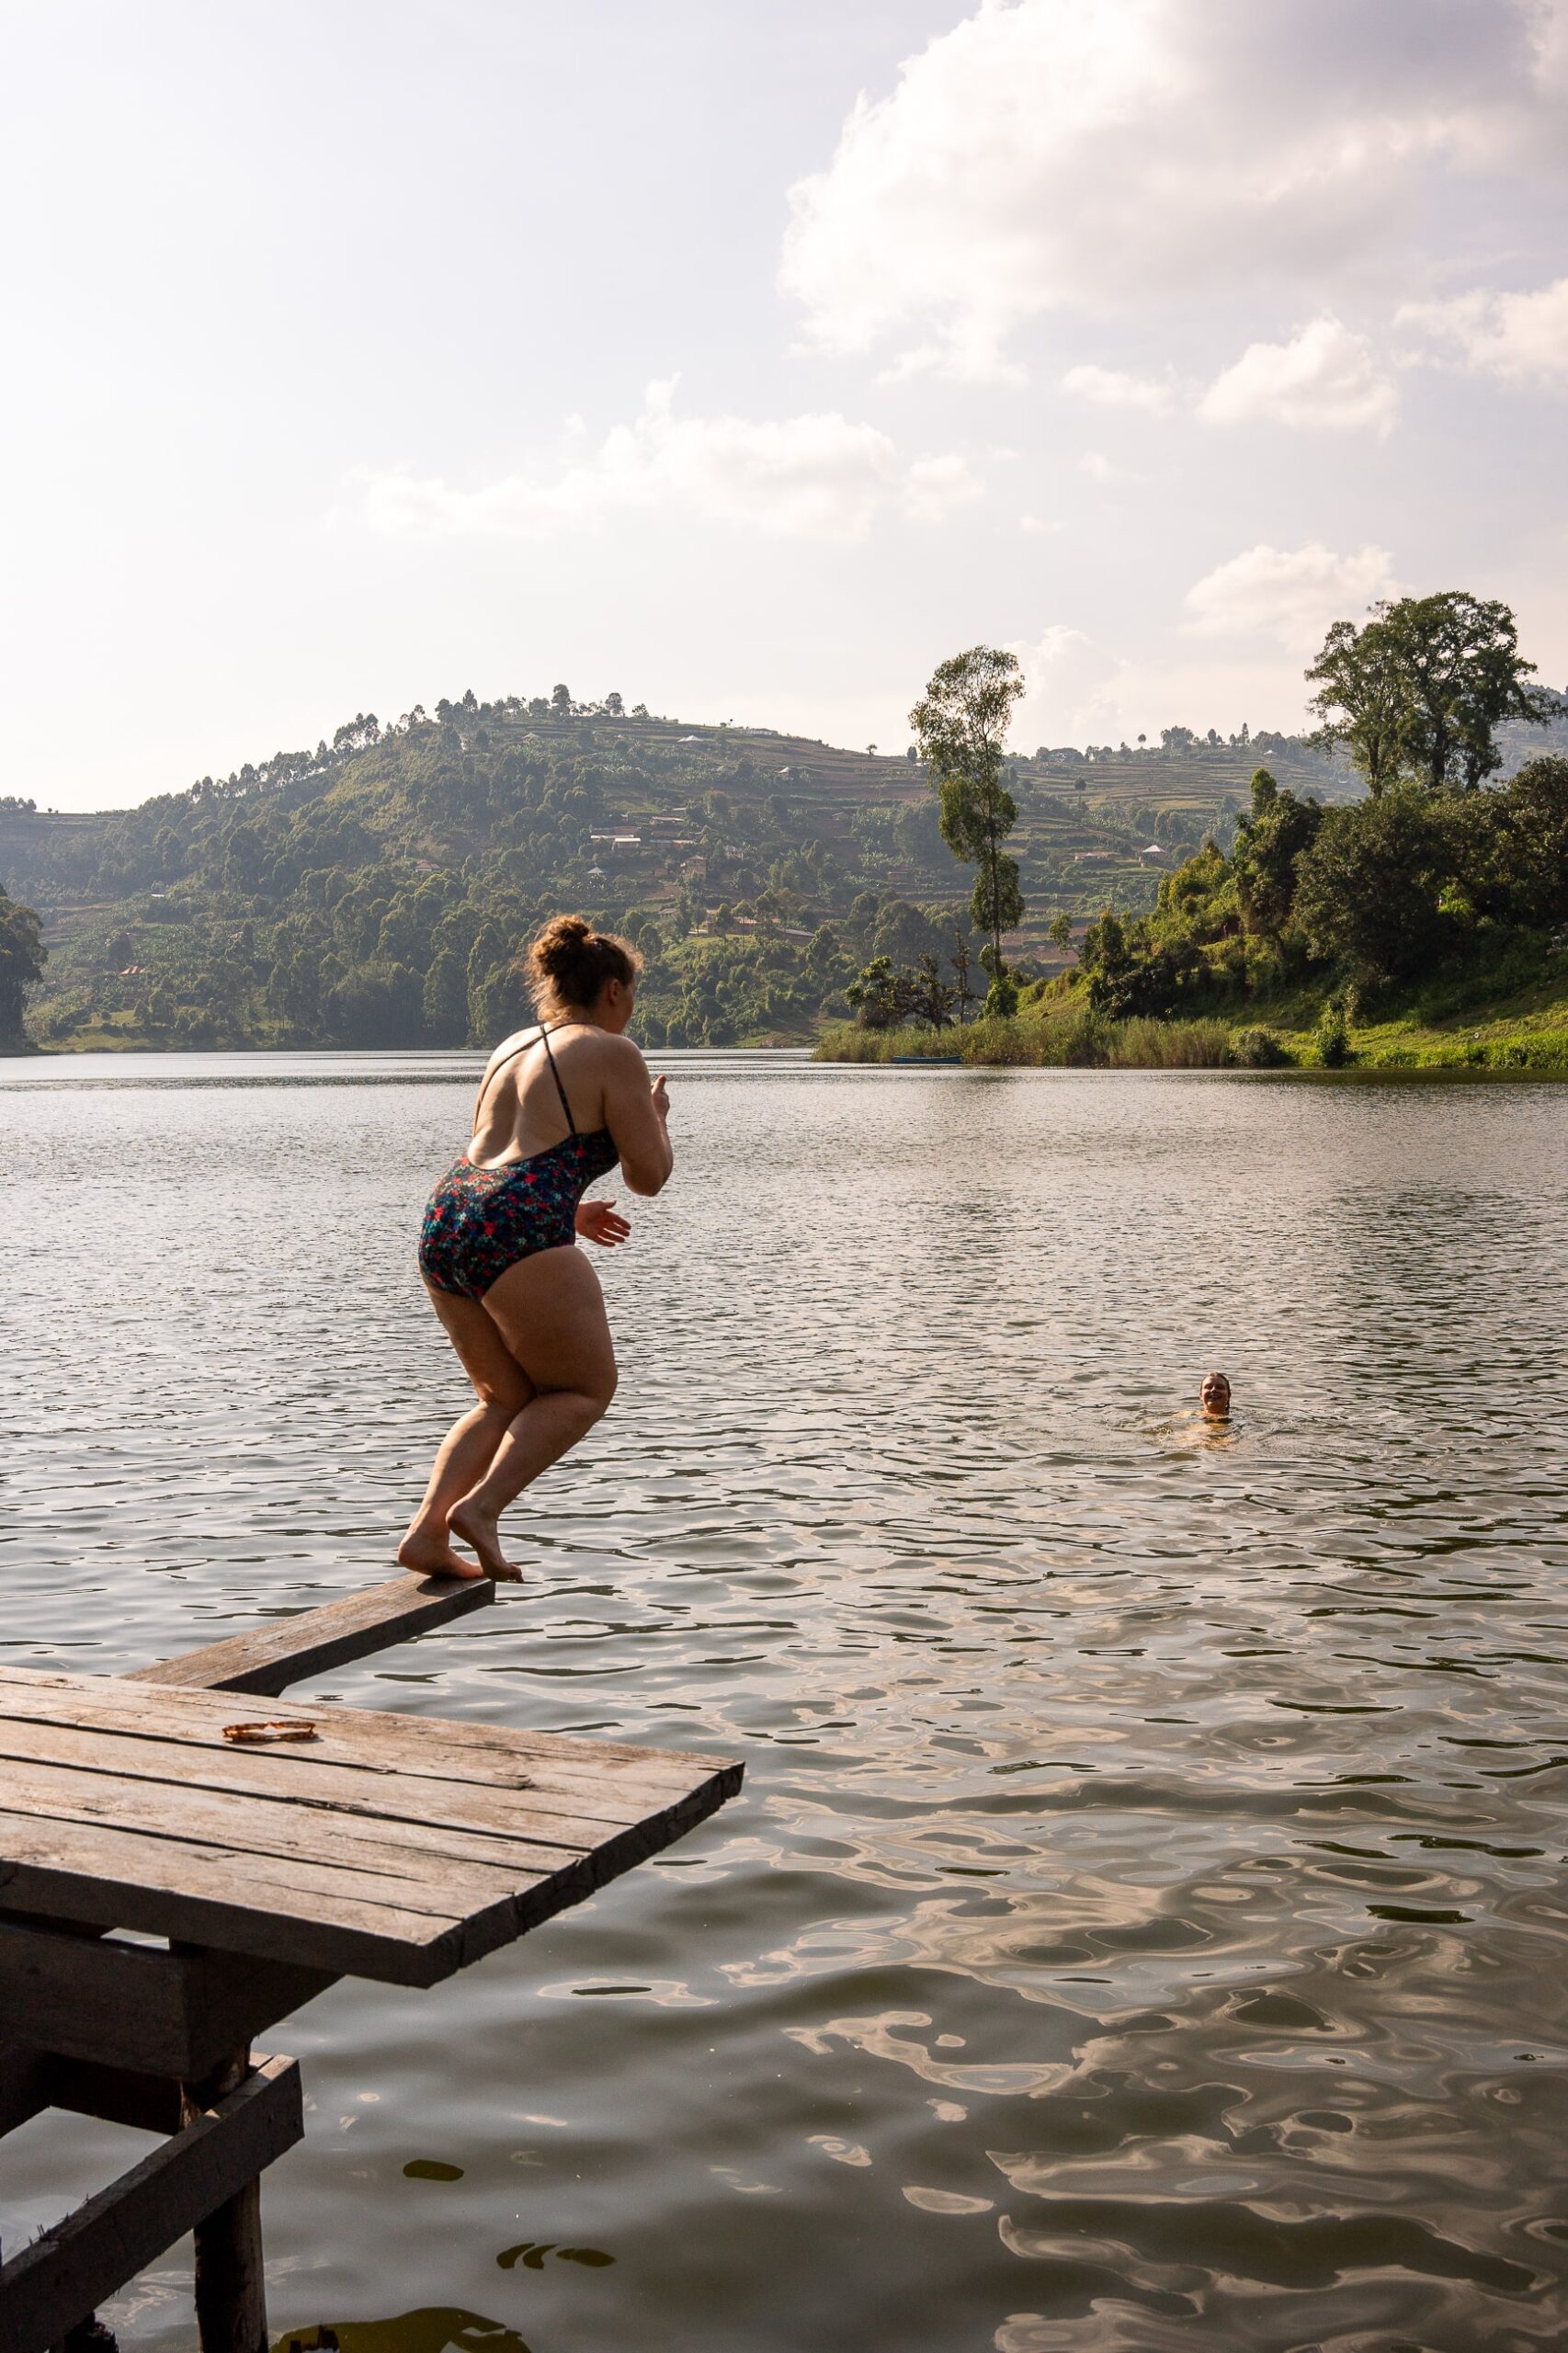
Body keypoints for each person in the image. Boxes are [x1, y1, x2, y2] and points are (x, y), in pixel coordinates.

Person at [401, 915, 673, 1581]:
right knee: (583, 1388)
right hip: (516, 1226)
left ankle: (427, 1536)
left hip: (450, 1214)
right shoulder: (614, 1053)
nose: (631, 1010)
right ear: (613, 990)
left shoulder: (513, 1045)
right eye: (631, 996)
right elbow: (650, 1177)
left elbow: (508, 1156)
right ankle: (484, 1508)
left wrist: (567, 1211)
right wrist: (657, 1122)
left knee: (504, 1395)